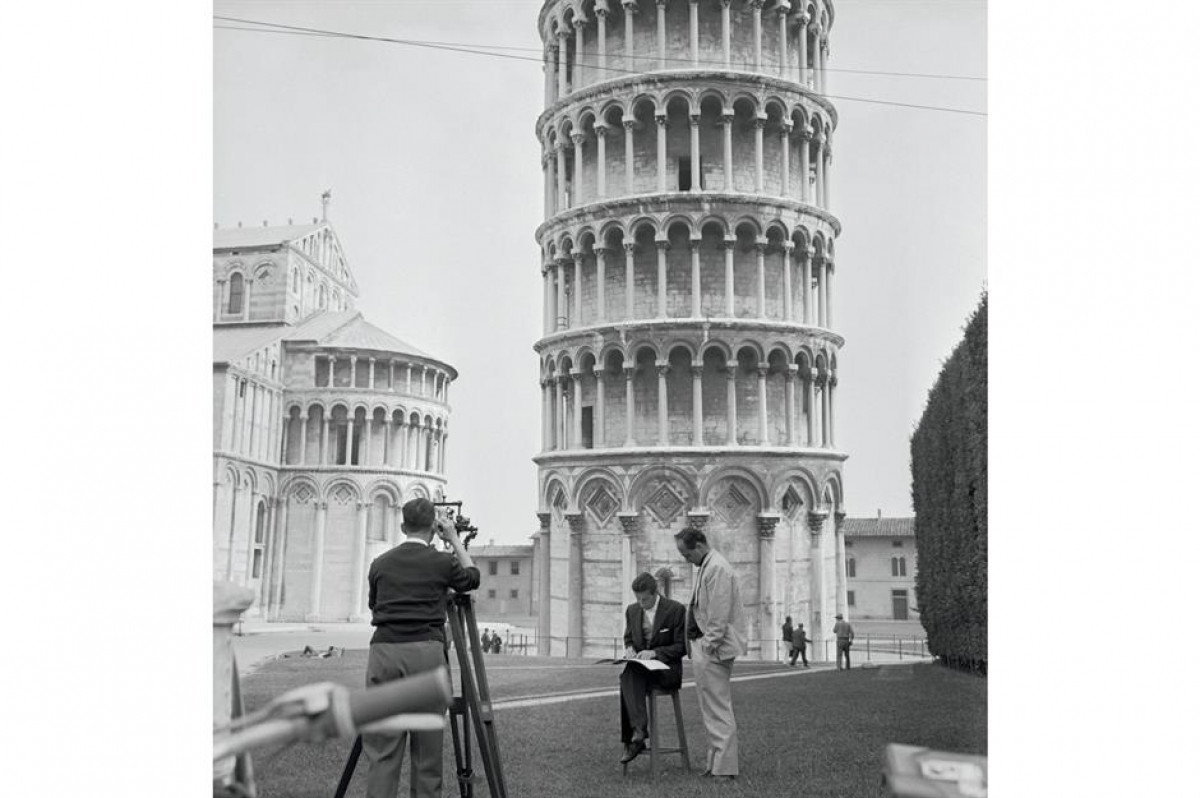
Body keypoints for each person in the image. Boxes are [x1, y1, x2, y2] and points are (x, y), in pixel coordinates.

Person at [363, 497, 480, 798]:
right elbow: (472, 578)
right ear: (433, 527)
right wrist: (453, 538)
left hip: (385, 653)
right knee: (427, 755)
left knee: (383, 753)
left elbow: (374, 604)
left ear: (403, 526)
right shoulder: (442, 562)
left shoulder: (379, 564)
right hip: (426, 653)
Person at [676, 527, 745, 782]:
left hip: (714, 648)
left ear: (699, 546)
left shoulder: (717, 568)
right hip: (707, 646)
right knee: (710, 708)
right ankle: (716, 763)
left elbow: (718, 614)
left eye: (686, 554)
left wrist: (708, 645)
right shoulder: (708, 566)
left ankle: (725, 768)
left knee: (717, 707)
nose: (686, 559)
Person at [618, 572, 687, 765]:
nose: (641, 603)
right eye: (637, 598)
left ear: (655, 593)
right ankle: (639, 733)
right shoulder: (632, 611)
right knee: (628, 674)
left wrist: (655, 653)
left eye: (645, 599)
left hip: (666, 671)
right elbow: (629, 638)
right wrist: (630, 649)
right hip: (641, 670)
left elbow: (682, 647)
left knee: (627, 680)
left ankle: (634, 737)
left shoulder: (675, 610)